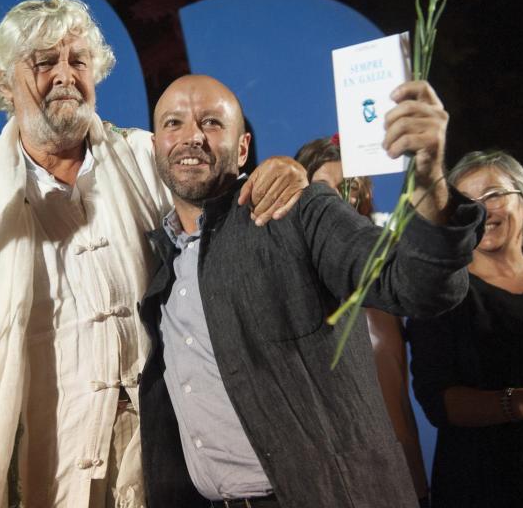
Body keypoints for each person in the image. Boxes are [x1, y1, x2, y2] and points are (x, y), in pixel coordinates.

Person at [0, 0, 305, 507]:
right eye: (45, 62)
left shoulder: (142, 156)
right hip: (38, 476)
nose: (65, 75)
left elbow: (224, 216)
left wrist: (281, 172)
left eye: (79, 61)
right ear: (4, 83)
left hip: (162, 469)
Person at [137, 74, 484, 507]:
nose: (192, 137)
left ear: (242, 147)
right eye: (173, 123)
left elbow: (415, 285)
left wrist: (430, 177)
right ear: (155, 147)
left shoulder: (296, 210)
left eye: (210, 122)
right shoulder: (159, 265)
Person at [408, 150, 523, 507]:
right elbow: (438, 402)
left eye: (494, 195)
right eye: (466, 202)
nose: (481, 210)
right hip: (481, 481)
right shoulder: (438, 294)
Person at [295, 135, 429, 504]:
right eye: (322, 190)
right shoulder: (291, 282)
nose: (335, 203)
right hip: (335, 484)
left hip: (404, 474)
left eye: (349, 189)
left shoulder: (391, 277)